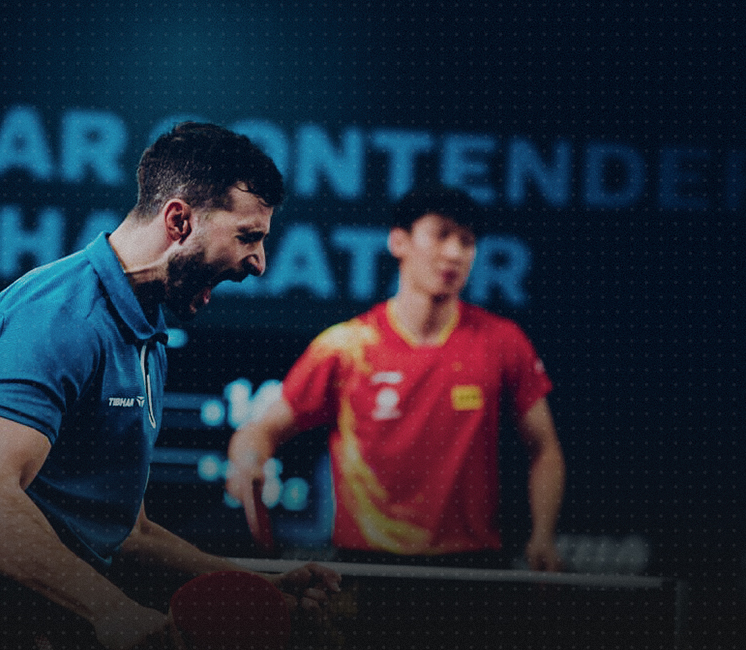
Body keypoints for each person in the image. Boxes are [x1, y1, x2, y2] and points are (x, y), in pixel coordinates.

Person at [0, 122, 341, 650]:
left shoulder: (143, 332)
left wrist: (258, 586)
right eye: (247, 236)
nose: (259, 263)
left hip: (66, 612)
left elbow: (128, 530)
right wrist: (112, 610)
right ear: (179, 220)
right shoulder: (56, 317)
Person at [226, 185, 566, 571]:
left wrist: (543, 536)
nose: (455, 253)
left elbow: (545, 449)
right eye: (441, 235)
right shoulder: (347, 347)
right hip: (366, 569)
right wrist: (248, 462)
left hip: (472, 569)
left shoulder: (502, 342)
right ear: (399, 241)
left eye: (467, 241)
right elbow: (260, 432)